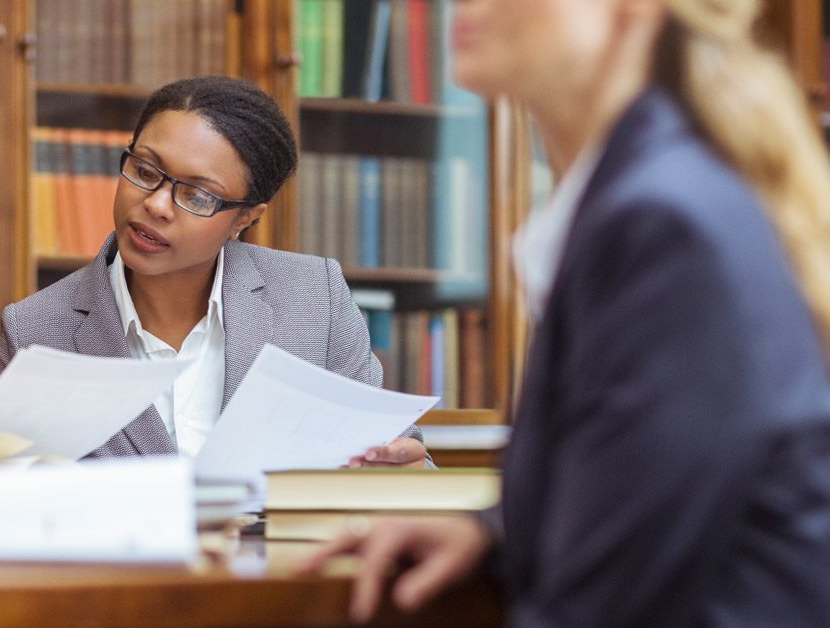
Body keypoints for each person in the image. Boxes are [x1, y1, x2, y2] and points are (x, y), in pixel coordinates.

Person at [299, 0, 830, 625]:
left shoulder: (661, 222)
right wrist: (494, 535)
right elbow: (639, 492)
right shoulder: (645, 193)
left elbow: (609, 604)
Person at [0, 76, 429, 465]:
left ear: (245, 218)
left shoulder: (317, 299)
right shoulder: (35, 330)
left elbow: (400, 458)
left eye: (199, 196)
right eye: (145, 170)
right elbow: (10, 501)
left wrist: (398, 469)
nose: (156, 205)